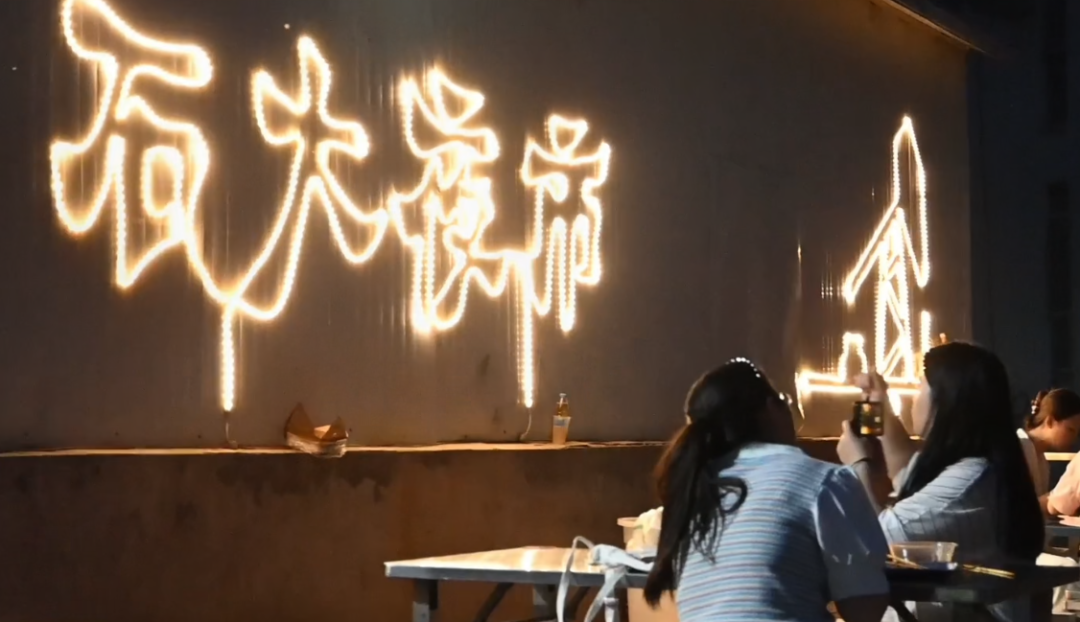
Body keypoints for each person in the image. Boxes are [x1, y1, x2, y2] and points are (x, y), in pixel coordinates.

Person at [644, 358, 890, 622]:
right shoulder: (825, 480)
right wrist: (863, 465)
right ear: (772, 408)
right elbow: (865, 610)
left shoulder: (695, 493)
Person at [838, 342, 1045, 622]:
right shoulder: (979, 468)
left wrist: (857, 465)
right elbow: (905, 471)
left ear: (944, 400)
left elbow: (878, 540)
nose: (913, 399)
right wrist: (878, 401)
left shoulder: (969, 482)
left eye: (919, 387)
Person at [1021, 388, 1080, 502]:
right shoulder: (1019, 450)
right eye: (1070, 430)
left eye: (1077, 434)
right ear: (1050, 421)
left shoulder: (1042, 461)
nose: (1073, 438)